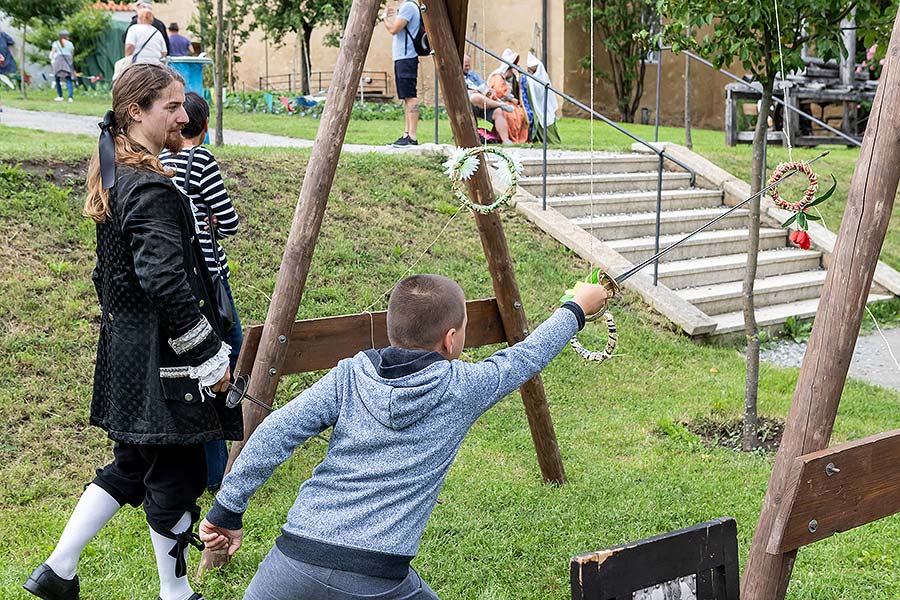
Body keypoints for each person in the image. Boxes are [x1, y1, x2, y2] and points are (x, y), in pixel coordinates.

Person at [198, 274, 609, 600]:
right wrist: (576, 309)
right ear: (452, 339)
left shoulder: (348, 374)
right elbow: (527, 355)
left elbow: (276, 430)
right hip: (377, 577)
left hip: (293, 559)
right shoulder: (464, 385)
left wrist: (226, 510)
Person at [22, 64, 242, 600]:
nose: (182, 114)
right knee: (177, 476)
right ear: (134, 113)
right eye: (169, 106)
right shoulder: (149, 188)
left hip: (132, 351)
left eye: (181, 104)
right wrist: (208, 352)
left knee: (132, 462)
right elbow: (164, 279)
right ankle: (176, 594)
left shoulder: (117, 170)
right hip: (165, 360)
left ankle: (58, 569)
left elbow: (113, 277)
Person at [160, 91, 242, 491]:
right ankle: (218, 469)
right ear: (204, 126)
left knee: (198, 370)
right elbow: (228, 223)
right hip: (210, 279)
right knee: (228, 359)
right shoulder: (201, 160)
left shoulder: (159, 161)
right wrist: (209, 220)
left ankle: (205, 464)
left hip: (181, 281)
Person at [382, 0, 422, 147]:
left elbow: (394, 29)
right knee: (406, 98)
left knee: (411, 97)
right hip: (402, 58)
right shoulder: (406, 6)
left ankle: (412, 136)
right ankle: (407, 134)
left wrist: (384, 18)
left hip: (407, 58)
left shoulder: (409, 7)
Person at [463, 53, 514, 144]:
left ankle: (505, 140)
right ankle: (500, 104)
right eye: (466, 66)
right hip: (468, 104)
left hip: (484, 102)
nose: (468, 68)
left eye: (469, 66)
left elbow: (484, 85)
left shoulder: (472, 74)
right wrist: (474, 92)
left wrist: (488, 92)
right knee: (474, 97)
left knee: (498, 112)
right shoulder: (456, 76)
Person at [487, 49, 529, 144]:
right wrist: (510, 98)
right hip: (499, 102)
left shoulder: (510, 77)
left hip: (509, 103)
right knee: (511, 114)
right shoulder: (497, 76)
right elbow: (498, 91)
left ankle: (517, 137)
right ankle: (510, 137)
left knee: (520, 113)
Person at [523, 52, 562, 144]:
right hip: (535, 107)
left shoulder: (541, 77)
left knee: (547, 119)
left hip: (544, 106)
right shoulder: (529, 79)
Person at [50, 30, 77, 103]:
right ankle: (70, 97)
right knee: (68, 79)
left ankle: (60, 96)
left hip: (58, 61)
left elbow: (52, 53)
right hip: (67, 61)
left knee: (57, 78)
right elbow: (72, 54)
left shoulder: (56, 43)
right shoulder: (70, 44)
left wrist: (52, 61)